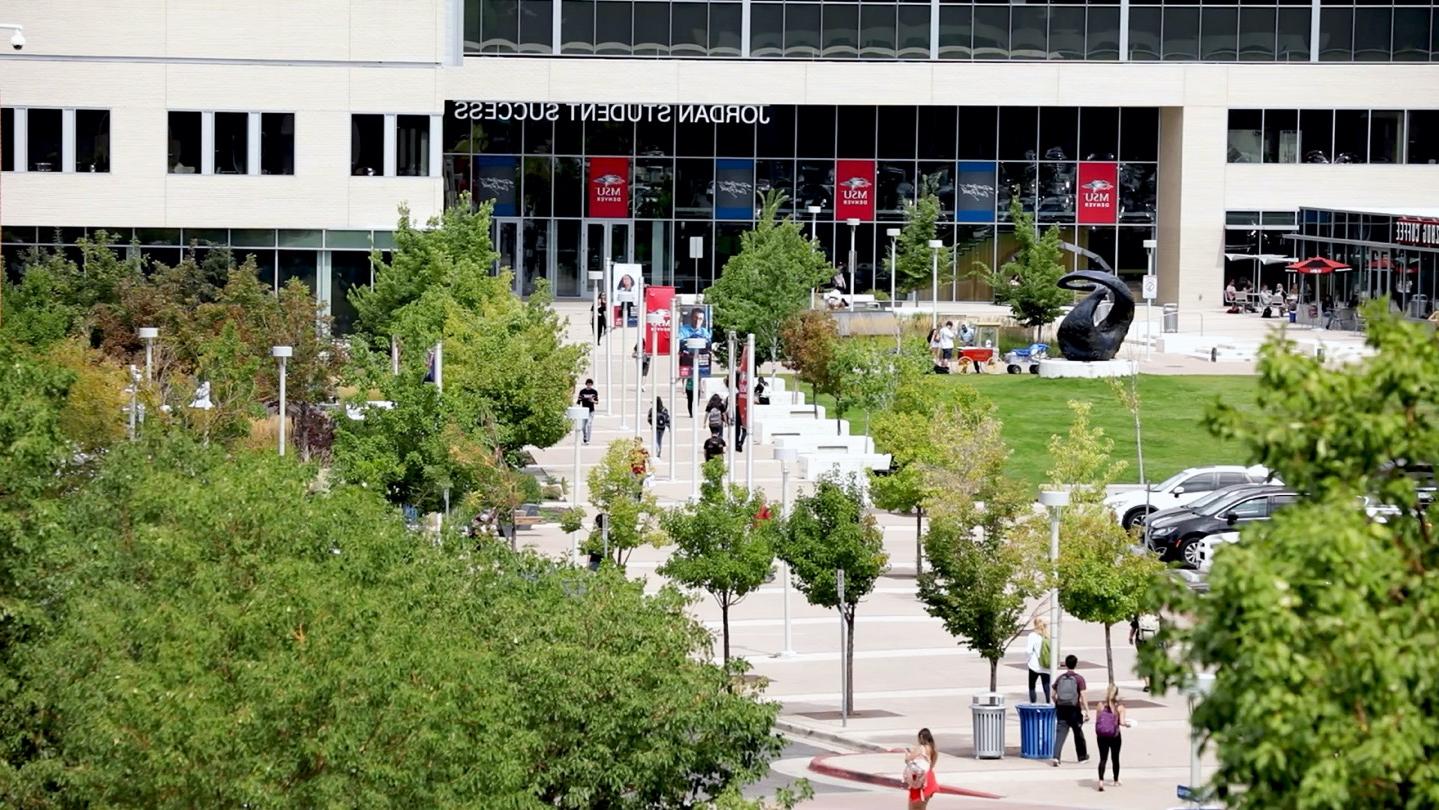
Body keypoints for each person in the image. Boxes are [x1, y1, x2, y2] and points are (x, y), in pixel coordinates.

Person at [1050, 655, 1089, 767]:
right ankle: (1082, 756)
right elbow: (1083, 696)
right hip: (1074, 710)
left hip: (1061, 709)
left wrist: (1057, 702)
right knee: (1078, 732)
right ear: (1075, 664)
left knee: (1060, 734)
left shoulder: (1060, 678)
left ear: (1066, 664)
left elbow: (1052, 694)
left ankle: (1056, 757)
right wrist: (1086, 710)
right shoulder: (1079, 679)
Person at [1093, 684, 1131, 791]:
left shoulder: (1100, 705)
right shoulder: (1120, 707)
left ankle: (1101, 782)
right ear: (1117, 693)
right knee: (1115, 758)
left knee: (1103, 758)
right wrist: (1127, 724)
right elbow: (1122, 723)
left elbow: (1097, 720)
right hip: (1114, 735)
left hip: (1101, 735)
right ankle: (1115, 780)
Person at [903, 728, 939, 809]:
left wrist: (907, 753)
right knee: (922, 808)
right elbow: (931, 765)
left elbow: (908, 760)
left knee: (913, 808)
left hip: (919, 780)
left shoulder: (920, 748)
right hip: (930, 779)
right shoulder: (933, 749)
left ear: (921, 738)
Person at [1129, 614, 1160, 692]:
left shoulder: (1139, 614)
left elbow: (1133, 627)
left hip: (1141, 642)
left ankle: (1147, 685)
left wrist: (1130, 637)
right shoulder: (1156, 614)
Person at [1025, 617, 1052, 703]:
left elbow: (1029, 651)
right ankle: (1049, 704)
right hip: (1046, 665)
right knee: (1046, 686)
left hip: (1034, 665)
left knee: (1032, 686)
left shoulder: (1032, 636)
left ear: (1035, 625)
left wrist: (1028, 660)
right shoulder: (1049, 636)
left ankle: (1033, 705)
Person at [576, 378, 599, 444]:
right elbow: (578, 401)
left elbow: (597, 402)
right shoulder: (582, 391)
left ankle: (588, 440)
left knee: (589, 424)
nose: (589, 385)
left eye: (590, 384)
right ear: (586, 384)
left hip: (591, 411)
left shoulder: (594, 392)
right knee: (583, 426)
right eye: (588, 384)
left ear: (592, 384)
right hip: (583, 411)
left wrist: (593, 401)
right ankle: (585, 436)